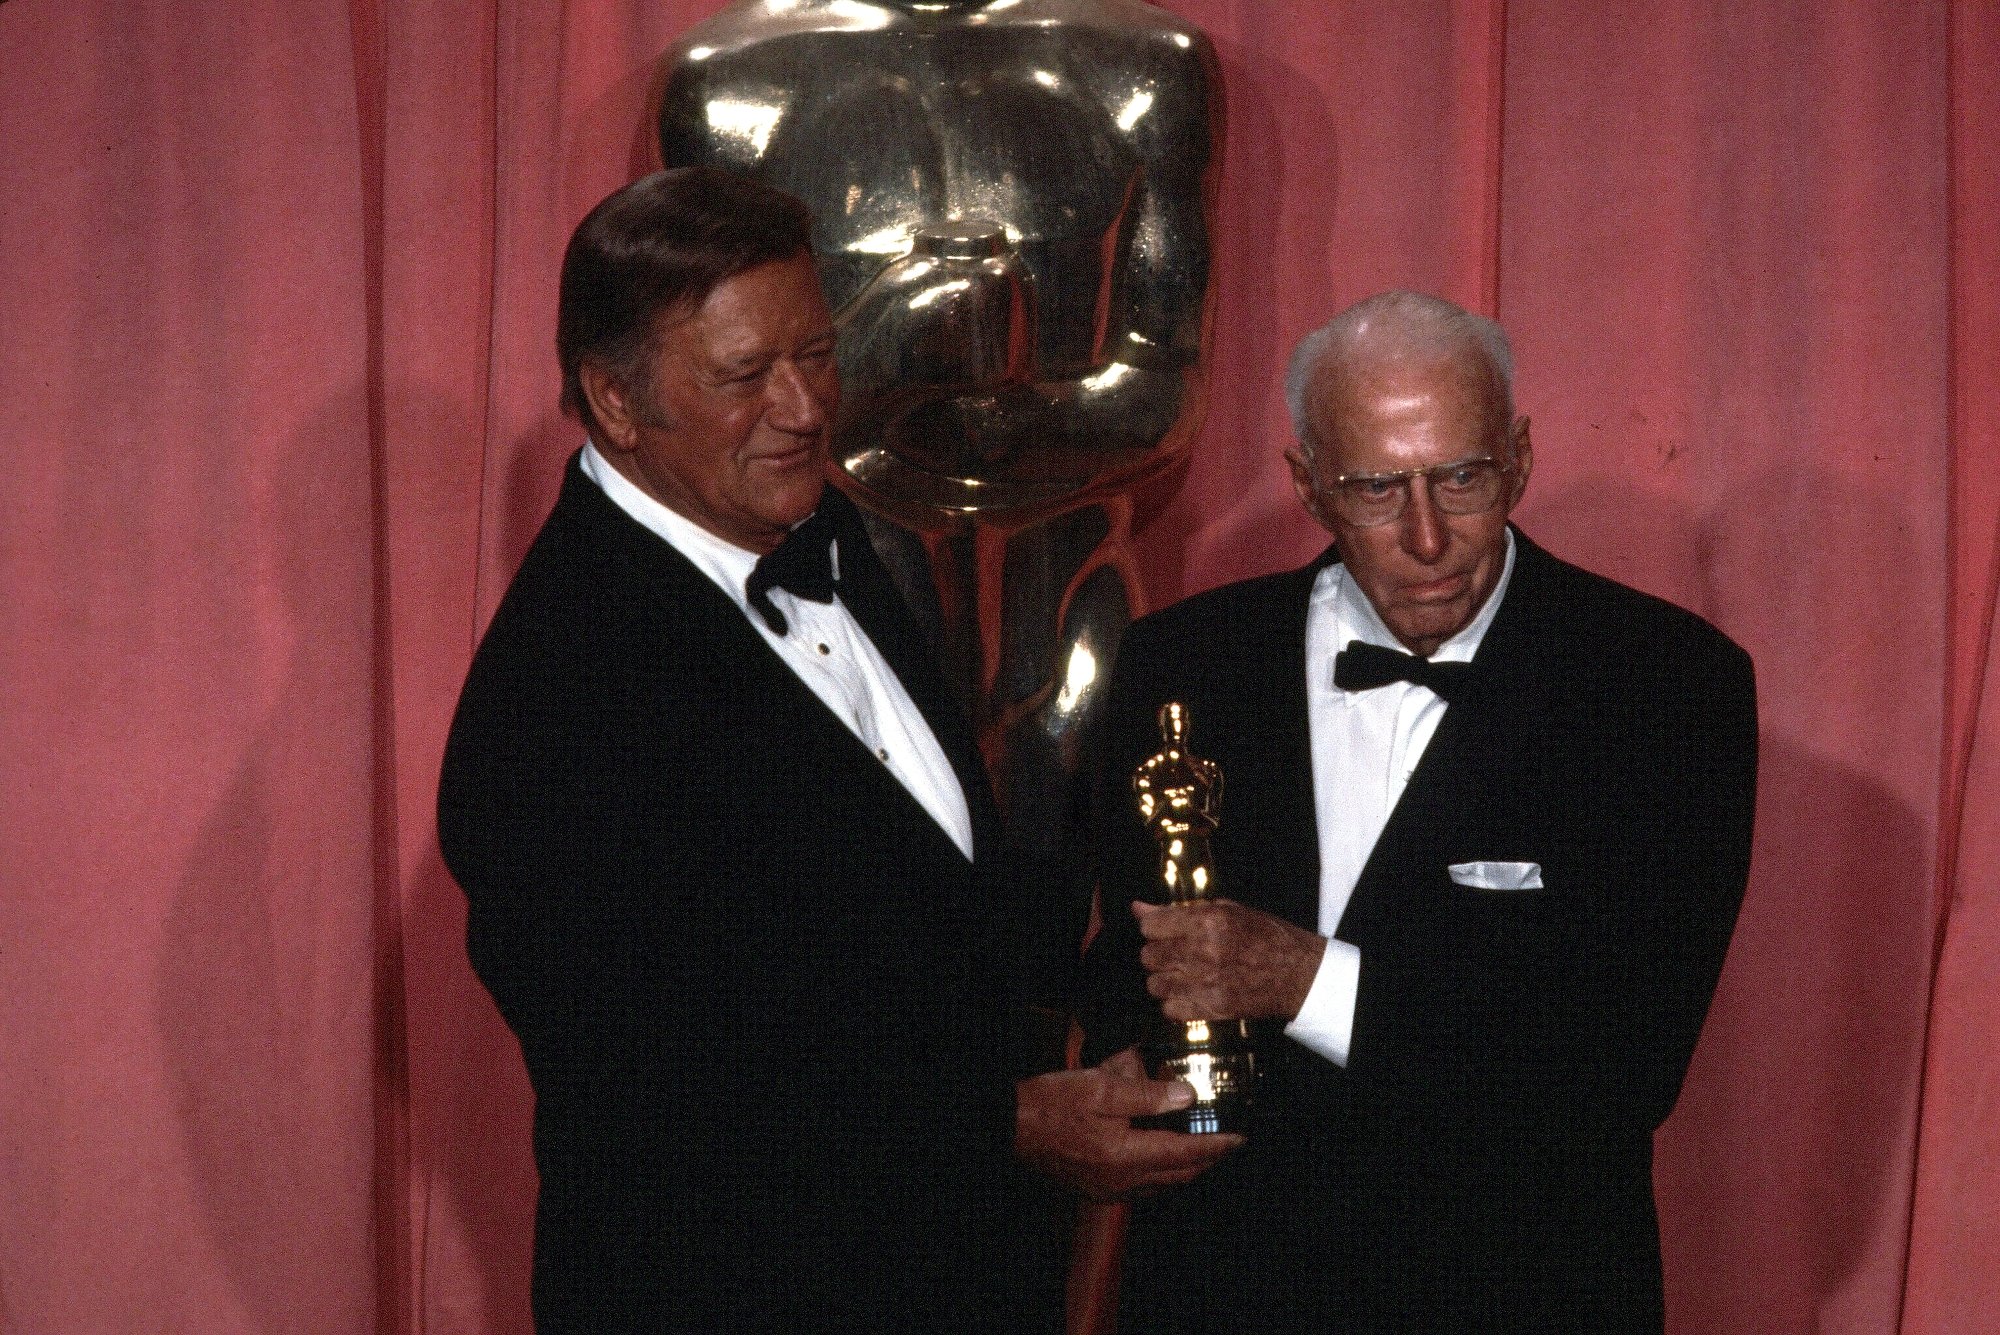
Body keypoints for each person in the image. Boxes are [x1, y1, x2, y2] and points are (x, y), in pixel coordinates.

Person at [436, 166, 1229, 1334]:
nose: (805, 407)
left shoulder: (815, 521)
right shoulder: (559, 696)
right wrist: (1011, 1123)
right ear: (614, 401)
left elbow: (920, 898)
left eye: (814, 354)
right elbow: (662, 1100)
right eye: (745, 374)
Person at [1081, 290, 1758, 1333]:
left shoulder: (1665, 685)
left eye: (1460, 477)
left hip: (1519, 1298)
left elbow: (1621, 1066)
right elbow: (1125, 966)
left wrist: (1306, 978)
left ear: (1518, 460)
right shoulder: (1183, 661)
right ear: (1307, 484)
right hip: (1227, 1292)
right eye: (1375, 488)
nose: (1428, 536)